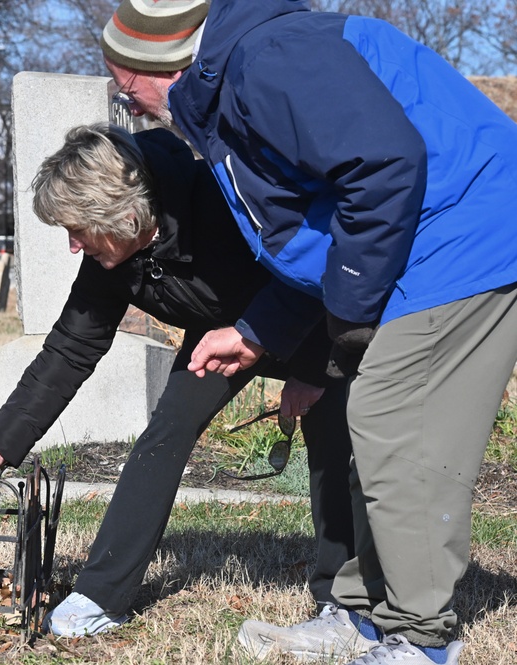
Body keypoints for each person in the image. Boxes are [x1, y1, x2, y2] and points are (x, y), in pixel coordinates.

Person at [101, 0, 517, 663]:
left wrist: (348, 311)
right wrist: (259, 329)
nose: (137, 111)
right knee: (376, 426)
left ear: (165, 69)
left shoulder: (268, 63)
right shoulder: (234, 87)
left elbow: (383, 166)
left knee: (394, 421)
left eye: (128, 93)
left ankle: (420, 636)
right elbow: (320, 225)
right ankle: (367, 616)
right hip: (423, 239)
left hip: (465, 233)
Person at [0, 123, 356, 638]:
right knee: (166, 430)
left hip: (311, 316)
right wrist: (1, 441)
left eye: (77, 229)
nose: (73, 247)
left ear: (125, 215)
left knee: (331, 436)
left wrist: (311, 372)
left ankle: (342, 601)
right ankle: (101, 594)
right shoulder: (114, 258)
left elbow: (316, 261)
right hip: (220, 334)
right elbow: (71, 348)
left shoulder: (221, 198)